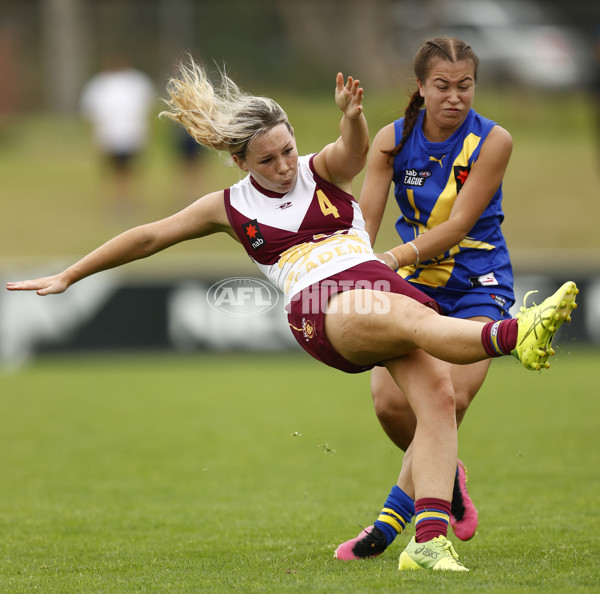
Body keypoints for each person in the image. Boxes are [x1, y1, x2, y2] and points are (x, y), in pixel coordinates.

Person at [7, 59, 577, 572]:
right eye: (267, 159)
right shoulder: (228, 207)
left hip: (373, 280)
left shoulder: (319, 170)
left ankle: (428, 540)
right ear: (238, 160)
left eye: (287, 149)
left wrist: (351, 117)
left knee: (437, 399)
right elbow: (150, 235)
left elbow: (353, 152)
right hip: (320, 305)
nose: (283, 165)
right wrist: (69, 274)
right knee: (408, 322)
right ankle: (513, 334)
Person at [334, 36, 517, 561]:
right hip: (413, 288)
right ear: (421, 86)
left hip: (479, 284)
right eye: (442, 86)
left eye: (465, 86)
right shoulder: (392, 140)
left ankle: (392, 522)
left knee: (447, 400)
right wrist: (351, 265)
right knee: (390, 405)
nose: (455, 97)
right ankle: (449, 480)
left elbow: (459, 224)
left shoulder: (494, 141)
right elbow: (364, 220)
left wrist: (392, 258)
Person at [79, 53, 156, 221]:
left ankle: (127, 201)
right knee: (116, 171)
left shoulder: (135, 82)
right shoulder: (101, 84)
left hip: (130, 135)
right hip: (111, 136)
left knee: (129, 170)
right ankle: (119, 201)